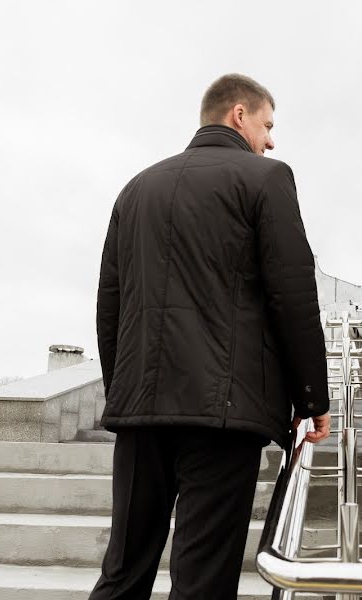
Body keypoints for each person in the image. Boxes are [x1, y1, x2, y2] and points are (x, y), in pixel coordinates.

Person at [90, 73, 332, 600]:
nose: (271, 139)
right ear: (239, 115)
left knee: (123, 569)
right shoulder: (266, 178)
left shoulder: (137, 187)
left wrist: (124, 390)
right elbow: (291, 294)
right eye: (268, 125)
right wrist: (312, 396)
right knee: (203, 577)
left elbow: (110, 304)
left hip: (140, 412)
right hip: (223, 414)